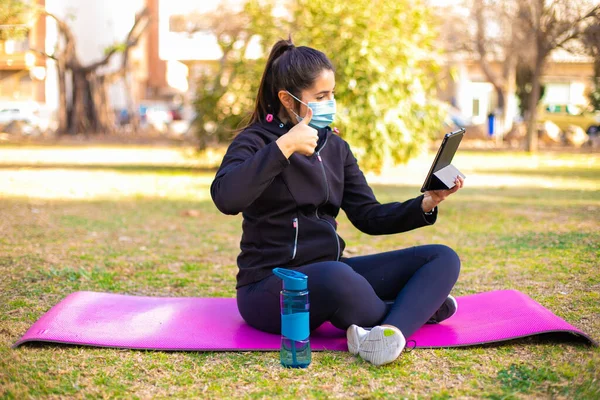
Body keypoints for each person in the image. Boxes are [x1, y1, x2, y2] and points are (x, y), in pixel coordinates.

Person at [210, 38, 464, 366]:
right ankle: (418, 309)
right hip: (271, 289)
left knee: (442, 258)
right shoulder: (256, 141)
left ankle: (387, 333)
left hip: (332, 273)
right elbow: (226, 198)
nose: (331, 103)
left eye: (332, 94)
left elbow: (368, 216)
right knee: (339, 278)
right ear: (288, 100)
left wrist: (427, 202)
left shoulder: (335, 146)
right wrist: (283, 147)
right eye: (321, 97)